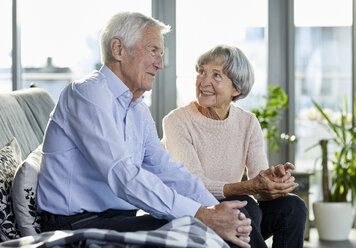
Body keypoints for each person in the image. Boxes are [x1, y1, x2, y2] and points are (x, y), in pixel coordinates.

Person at [36, 12, 252, 248]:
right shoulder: (88, 94)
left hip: (119, 220)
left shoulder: (137, 109)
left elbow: (168, 171)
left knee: (238, 217)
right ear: (118, 49)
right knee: (201, 230)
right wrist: (203, 215)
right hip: (76, 226)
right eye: (153, 51)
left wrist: (215, 209)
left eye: (161, 54)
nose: (160, 63)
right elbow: (123, 176)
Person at [162, 45, 307, 248]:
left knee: (293, 206)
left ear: (236, 88)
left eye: (216, 75)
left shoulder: (248, 122)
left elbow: (259, 186)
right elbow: (195, 186)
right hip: (197, 217)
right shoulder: (177, 120)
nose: (204, 81)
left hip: (240, 216)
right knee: (242, 205)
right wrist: (250, 187)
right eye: (201, 72)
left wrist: (274, 182)